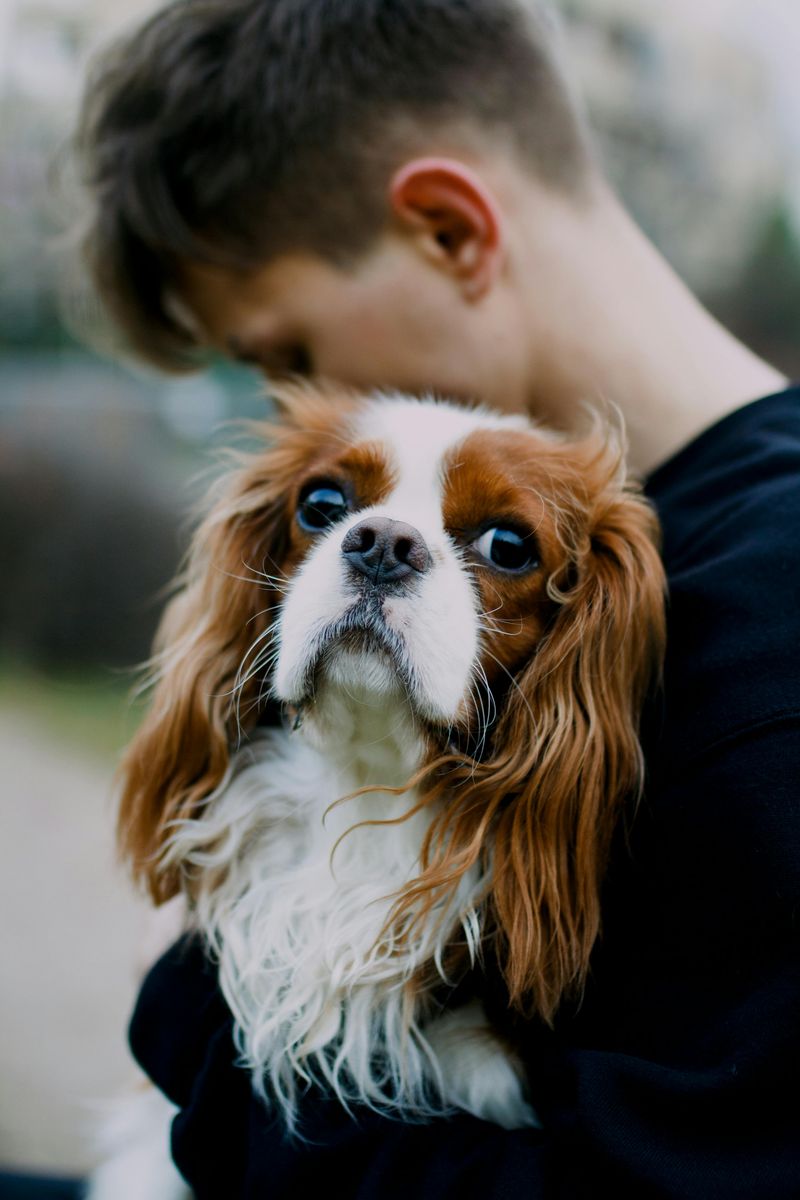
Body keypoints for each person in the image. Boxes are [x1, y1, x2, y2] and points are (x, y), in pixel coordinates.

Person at [75, 1, 800, 1196]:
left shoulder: (763, 636)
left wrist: (191, 1028)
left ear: (449, 231)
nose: (296, 408)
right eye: (324, 505)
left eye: (290, 352)